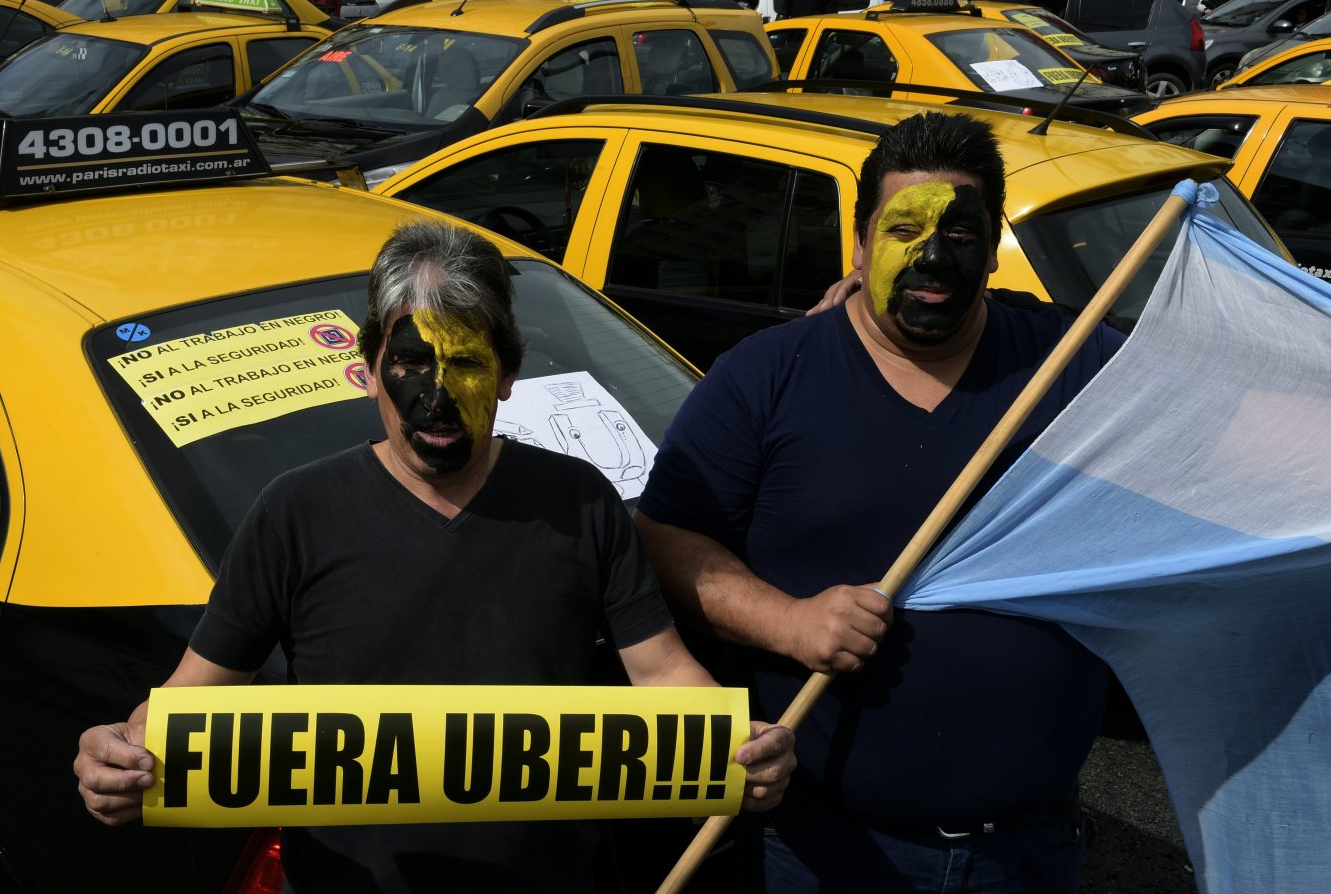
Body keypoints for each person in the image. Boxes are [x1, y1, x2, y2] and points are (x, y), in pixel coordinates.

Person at [73, 221, 797, 892]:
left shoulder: (579, 502)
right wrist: (120, 753)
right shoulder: (294, 514)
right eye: (412, 362)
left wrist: (741, 746)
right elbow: (192, 695)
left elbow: (664, 672)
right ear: (368, 367)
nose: (438, 395)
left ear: (509, 375)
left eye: (467, 363)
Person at [635, 111, 1124, 893]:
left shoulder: (1071, 363)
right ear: (860, 245)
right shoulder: (766, 375)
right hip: (824, 853)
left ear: (992, 247)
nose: (933, 256)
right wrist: (786, 621)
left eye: (961, 233)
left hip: (1029, 853)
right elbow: (661, 542)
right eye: (905, 229)